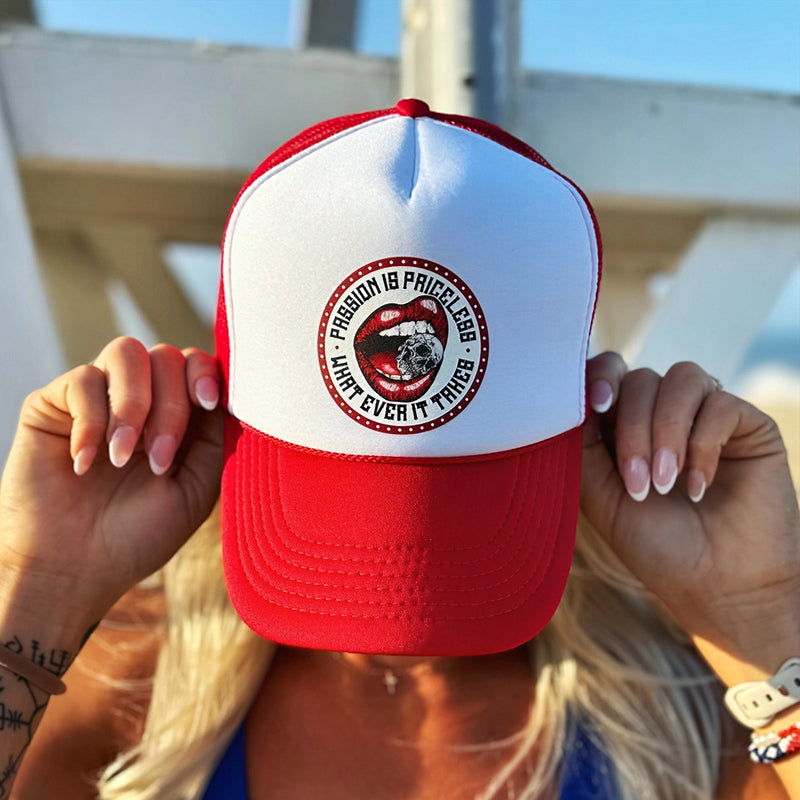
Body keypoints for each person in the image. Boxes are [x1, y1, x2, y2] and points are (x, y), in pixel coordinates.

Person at [1, 101, 798, 800]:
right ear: (225, 398)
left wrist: (761, 617)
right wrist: (41, 587)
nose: (397, 602)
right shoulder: (133, 683)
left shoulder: (697, 708)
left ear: (585, 409)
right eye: (338, 500)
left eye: (464, 499)